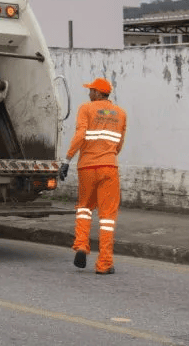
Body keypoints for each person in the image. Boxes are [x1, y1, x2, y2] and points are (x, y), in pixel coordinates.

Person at [59, 78, 126, 275]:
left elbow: (80, 136)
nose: (88, 93)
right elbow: (119, 144)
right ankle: (104, 263)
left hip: (87, 167)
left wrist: (67, 159)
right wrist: (108, 155)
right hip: (109, 167)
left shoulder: (86, 109)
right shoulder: (121, 113)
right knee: (107, 218)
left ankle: (81, 245)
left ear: (97, 93)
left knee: (84, 208)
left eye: (91, 90)